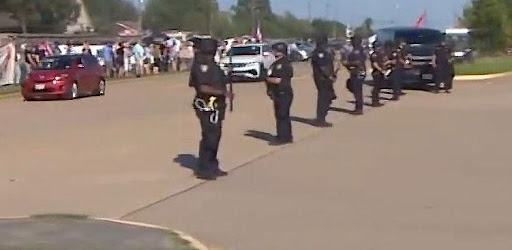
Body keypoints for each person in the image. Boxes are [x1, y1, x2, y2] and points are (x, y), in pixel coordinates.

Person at [189, 38, 233, 180]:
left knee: (215, 136)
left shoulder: (212, 65)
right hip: (207, 106)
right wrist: (223, 93)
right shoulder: (201, 66)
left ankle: (212, 165)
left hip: (217, 107)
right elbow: (202, 87)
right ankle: (204, 168)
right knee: (210, 137)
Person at [266, 42, 294, 145]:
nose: (273, 52)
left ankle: (284, 138)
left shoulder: (284, 64)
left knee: (283, 115)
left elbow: (279, 80)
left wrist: (267, 79)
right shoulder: (276, 63)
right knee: (280, 115)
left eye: (275, 50)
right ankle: (283, 135)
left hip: (284, 92)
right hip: (277, 93)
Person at [311, 34, 336, 127]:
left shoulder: (325, 51)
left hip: (326, 78)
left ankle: (322, 117)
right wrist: (330, 76)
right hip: (322, 79)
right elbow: (322, 67)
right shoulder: (319, 52)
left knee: (328, 97)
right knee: (323, 98)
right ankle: (320, 119)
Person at [343, 34, 367, 115]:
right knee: (355, 89)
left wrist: (347, 63)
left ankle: (359, 109)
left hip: (358, 72)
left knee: (357, 91)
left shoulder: (358, 50)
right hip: (355, 72)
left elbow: (358, 62)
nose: (352, 42)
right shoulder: (357, 49)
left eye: (353, 40)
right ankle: (358, 107)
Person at [370, 42, 387, 107]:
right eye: (378, 47)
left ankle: (377, 101)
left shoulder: (380, 54)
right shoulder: (374, 55)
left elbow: (383, 62)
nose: (379, 48)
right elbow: (374, 64)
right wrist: (381, 70)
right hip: (376, 73)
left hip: (380, 72)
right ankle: (374, 102)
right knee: (376, 88)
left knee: (379, 87)